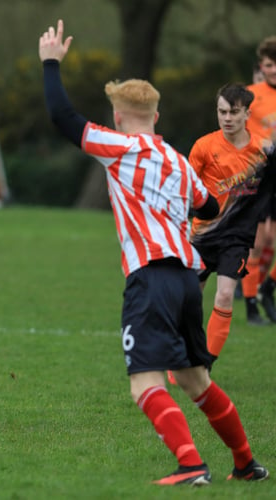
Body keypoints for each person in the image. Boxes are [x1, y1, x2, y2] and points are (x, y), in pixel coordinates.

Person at [39, 19, 268, 485]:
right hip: (188, 277)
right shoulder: (178, 160)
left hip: (150, 277)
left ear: (119, 117)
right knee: (194, 381)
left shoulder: (118, 146)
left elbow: (64, 118)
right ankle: (246, 464)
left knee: (144, 383)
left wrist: (50, 63)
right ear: (157, 117)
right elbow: (206, 203)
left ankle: (190, 466)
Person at [187, 84, 274, 361]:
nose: (227, 118)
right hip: (202, 236)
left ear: (247, 113)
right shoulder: (203, 146)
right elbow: (185, 187)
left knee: (224, 296)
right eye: (222, 112)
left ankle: (204, 365)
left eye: (234, 112)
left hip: (237, 238)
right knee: (188, 301)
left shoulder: (265, 150)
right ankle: (185, 354)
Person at [249, 36, 276, 321]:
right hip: (258, 174)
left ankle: (267, 287)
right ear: (261, 66)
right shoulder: (251, 95)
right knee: (256, 242)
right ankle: (250, 303)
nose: (275, 70)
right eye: (270, 65)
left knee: (271, 240)